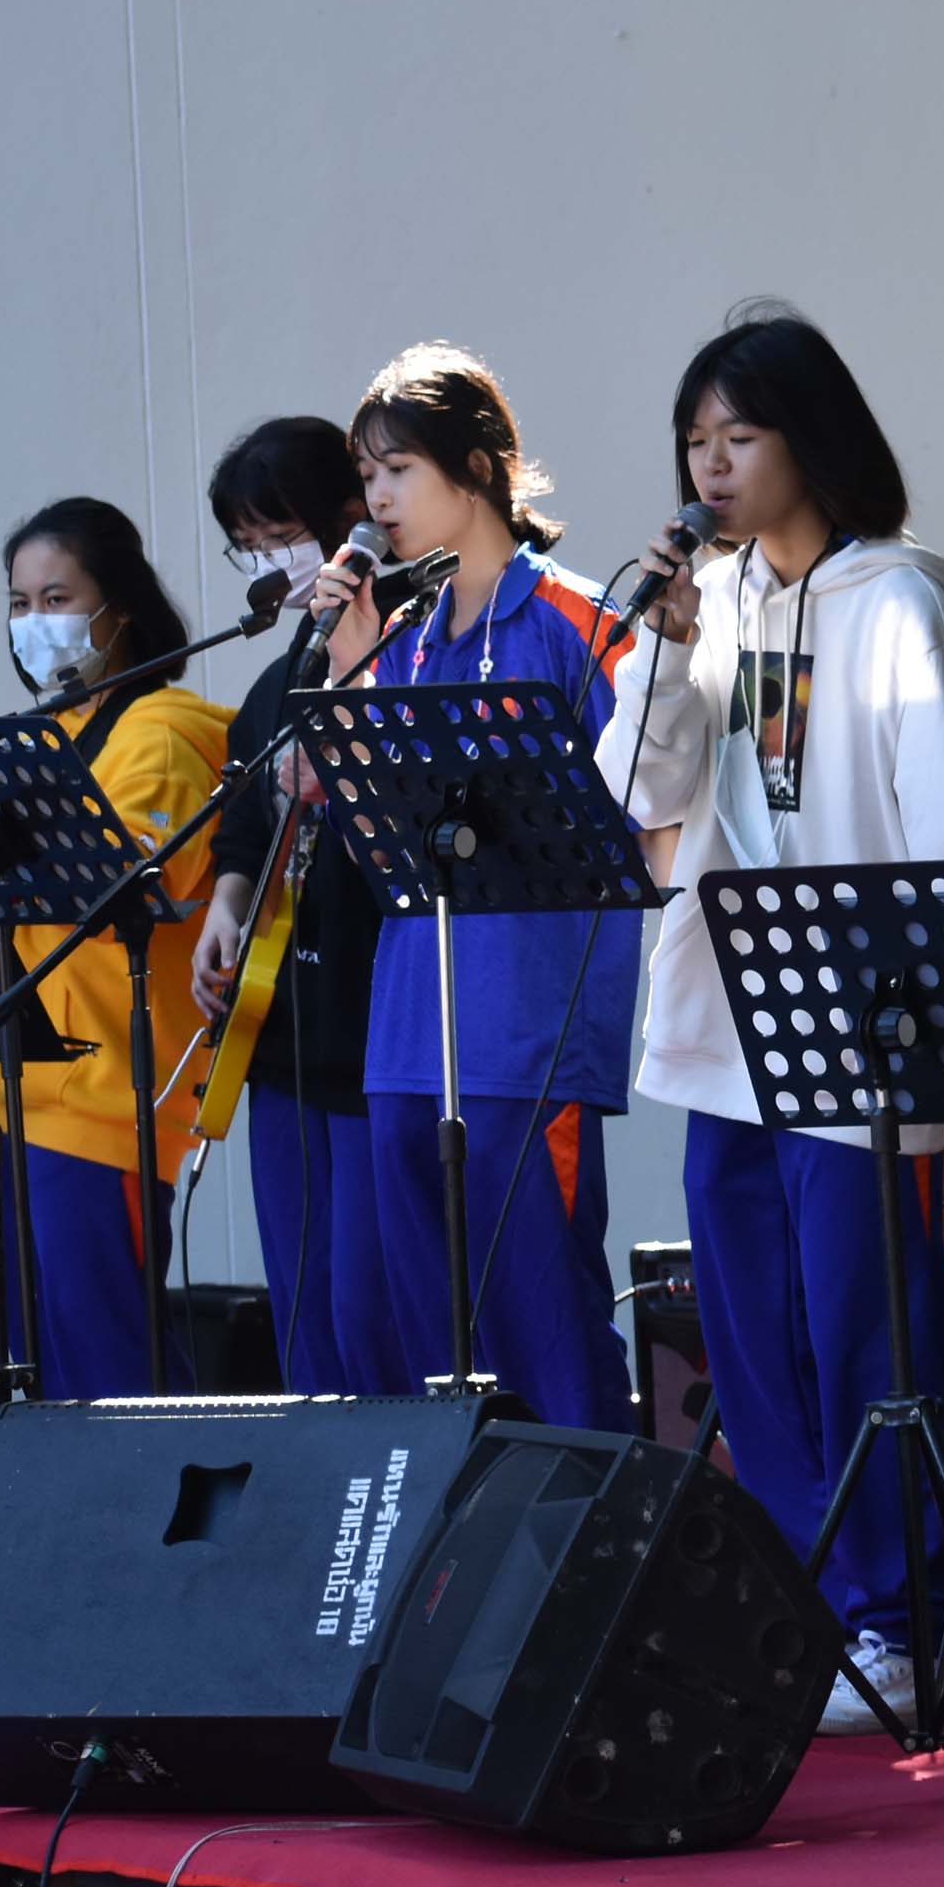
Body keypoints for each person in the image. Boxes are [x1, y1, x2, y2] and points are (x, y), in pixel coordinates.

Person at [611, 308, 944, 1736]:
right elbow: (640, 790)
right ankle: (802, 1605)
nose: (712, 466)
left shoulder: (895, 603)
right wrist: (661, 653)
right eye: (695, 441)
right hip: (733, 1013)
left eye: (741, 435)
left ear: (812, 441)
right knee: (747, 1328)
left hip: (864, 1026)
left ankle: (897, 1615)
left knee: (861, 1322)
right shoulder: (709, 603)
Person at [310, 343, 643, 1424]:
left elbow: (656, 803)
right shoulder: (399, 640)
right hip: (409, 1028)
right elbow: (362, 829)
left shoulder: (582, 621)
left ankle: (589, 1521)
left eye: (398, 470)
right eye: (368, 476)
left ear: (480, 469)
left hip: (528, 1029)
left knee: (544, 1317)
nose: (377, 499)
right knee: (430, 1336)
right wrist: (345, 666)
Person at [190, 416, 404, 1395]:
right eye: (250, 544)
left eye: (281, 534)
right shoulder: (279, 682)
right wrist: (225, 909)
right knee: (303, 1303)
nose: (269, 562)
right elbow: (242, 827)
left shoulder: (404, 659)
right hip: (280, 1040)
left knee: (372, 1305)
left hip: (371, 1040)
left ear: (349, 517)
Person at [1, 496, 233, 1400]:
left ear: (120, 607)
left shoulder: (163, 730)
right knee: (42, 1377)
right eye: (20, 603)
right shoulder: (51, 734)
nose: (35, 622)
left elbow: (123, 882)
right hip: (20, 1099)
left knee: (115, 1375)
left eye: (56, 598)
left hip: (107, 1104)